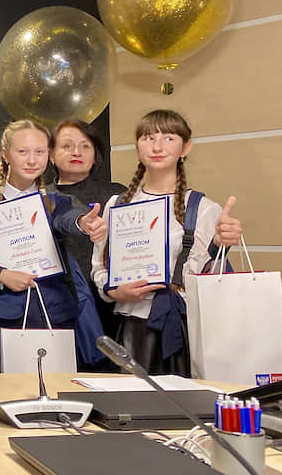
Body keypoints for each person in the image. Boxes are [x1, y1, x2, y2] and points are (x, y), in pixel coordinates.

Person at [90, 109, 241, 376]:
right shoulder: (117, 204)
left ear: (186, 147)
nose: (157, 147)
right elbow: (99, 268)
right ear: (137, 146)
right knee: (133, 399)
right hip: (132, 327)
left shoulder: (204, 208)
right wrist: (115, 292)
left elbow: (211, 281)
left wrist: (220, 245)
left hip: (185, 326)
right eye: (148, 138)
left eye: (169, 138)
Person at [0, 119, 107, 373]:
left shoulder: (57, 201)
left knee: (56, 391)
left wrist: (83, 223)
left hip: (55, 314)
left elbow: (67, 220)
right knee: (1, 392)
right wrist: (1, 275)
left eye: (40, 152)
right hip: (2, 316)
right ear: (6, 155)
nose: (32, 160)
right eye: (23, 151)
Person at [47, 119, 126, 341]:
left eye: (85, 146)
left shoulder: (117, 194)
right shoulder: (41, 198)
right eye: (67, 146)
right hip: (63, 305)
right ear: (51, 155)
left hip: (112, 299)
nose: (76, 152)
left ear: (95, 154)